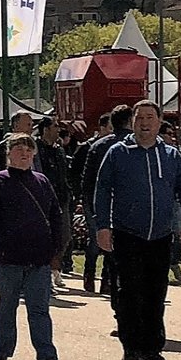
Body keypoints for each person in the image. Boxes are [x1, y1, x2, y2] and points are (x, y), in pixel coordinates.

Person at [94, 100, 181, 360]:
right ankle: (131, 348)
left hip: (161, 235)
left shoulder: (170, 155)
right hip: (127, 233)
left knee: (156, 293)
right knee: (129, 292)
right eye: (140, 118)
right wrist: (102, 226)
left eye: (150, 118)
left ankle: (152, 348)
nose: (144, 123)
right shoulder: (118, 153)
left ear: (159, 121)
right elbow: (102, 190)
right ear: (133, 122)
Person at [0, 134, 68, 360]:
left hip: (39, 258)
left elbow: (55, 214)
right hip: (7, 259)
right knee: (7, 305)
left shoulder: (42, 181)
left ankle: (47, 357)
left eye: (29, 150)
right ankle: (2, 353)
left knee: (39, 309)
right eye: (19, 149)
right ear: (8, 153)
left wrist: (55, 246)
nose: (24, 154)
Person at [74, 105, 133, 296]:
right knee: (116, 241)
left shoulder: (97, 145)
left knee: (96, 238)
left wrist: (86, 200)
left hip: (94, 200)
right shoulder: (133, 145)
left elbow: (87, 178)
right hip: (122, 202)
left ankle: (89, 275)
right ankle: (108, 280)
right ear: (130, 121)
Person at [35, 118, 72, 289]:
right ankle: (46, 273)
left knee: (64, 235)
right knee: (44, 237)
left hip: (61, 199)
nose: (58, 129)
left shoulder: (59, 150)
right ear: (45, 130)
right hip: (43, 200)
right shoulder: (37, 149)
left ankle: (55, 267)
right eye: (55, 126)